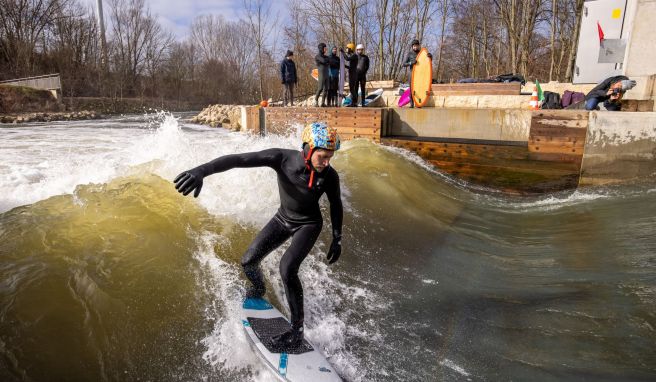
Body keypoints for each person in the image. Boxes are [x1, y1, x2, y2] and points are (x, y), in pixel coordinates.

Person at [173, 122, 343, 351]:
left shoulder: (330, 176)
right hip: (283, 219)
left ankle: (297, 332)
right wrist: (201, 171)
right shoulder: (281, 158)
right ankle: (259, 288)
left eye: (329, 158)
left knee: (287, 268)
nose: (326, 163)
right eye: (323, 157)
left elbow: (336, 205)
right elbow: (238, 160)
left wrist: (337, 237)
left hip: (309, 225)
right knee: (248, 261)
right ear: (308, 149)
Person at [402, 39, 432, 108]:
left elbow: (427, 62)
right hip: (412, 73)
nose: (415, 47)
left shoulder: (422, 53)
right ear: (412, 47)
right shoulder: (409, 54)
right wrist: (410, 63)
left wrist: (430, 57)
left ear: (418, 46)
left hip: (420, 75)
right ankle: (411, 104)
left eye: (416, 46)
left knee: (420, 88)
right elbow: (403, 64)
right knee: (412, 88)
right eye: (414, 46)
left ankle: (419, 103)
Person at [343, 43, 358, 107]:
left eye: (347, 48)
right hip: (352, 73)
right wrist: (344, 66)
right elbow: (351, 67)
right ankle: (353, 103)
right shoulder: (353, 56)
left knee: (352, 89)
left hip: (353, 74)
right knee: (351, 89)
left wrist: (342, 52)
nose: (346, 50)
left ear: (350, 49)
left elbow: (347, 59)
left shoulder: (354, 55)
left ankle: (354, 103)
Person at [315, 43, 329, 107]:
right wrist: (327, 60)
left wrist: (327, 60)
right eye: (324, 48)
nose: (326, 49)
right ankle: (316, 101)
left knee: (326, 88)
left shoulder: (326, 56)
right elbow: (323, 61)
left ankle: (323, 102)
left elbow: (329, 60)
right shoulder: (317, 56)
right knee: (320, 88)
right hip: (321, 74)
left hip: (326, 74)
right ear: (321, 48)